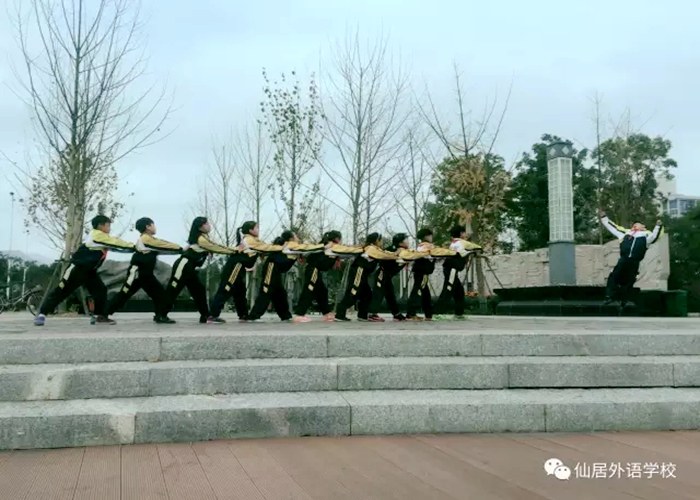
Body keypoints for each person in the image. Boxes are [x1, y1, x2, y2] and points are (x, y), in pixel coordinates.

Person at [34, 215, 135, 326]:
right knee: (62, 291)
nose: (109, 228)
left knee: (100, 291)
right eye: (108, 225)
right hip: (77, 269)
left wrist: (135, 249)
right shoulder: (97, 235)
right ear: (100, 226)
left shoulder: (103, 238)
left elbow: (117, 247)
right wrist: (135, 247)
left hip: (90, 271)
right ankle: (41, 314)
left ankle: (99, 316)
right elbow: (116, 243)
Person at [161, 216, 238, 324]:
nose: (209, 226)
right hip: (183, 266)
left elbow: (211, 247)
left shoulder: (202, 238)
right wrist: (235, 250)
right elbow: (216, 247)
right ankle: (161, 315)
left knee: (199, 291)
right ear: (200, 227)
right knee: (173, 289)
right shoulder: (200, 239)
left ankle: (205, 315)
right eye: (206, 224)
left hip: (190, 269)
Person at [107, 217, 183, 324]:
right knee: (124, 294)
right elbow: (163, 244)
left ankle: (160, 316)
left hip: (145, 274)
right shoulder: (146, 239)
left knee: (159, 294)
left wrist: (179, 251)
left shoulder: (149, 240)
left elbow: (163, 248)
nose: (155, 227)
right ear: (148, 227)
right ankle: (103, 314)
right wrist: (181, 249)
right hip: (137, 273)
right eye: (153, 225)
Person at [208, 221, 283, 322]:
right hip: (235, 267)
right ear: (251, 230)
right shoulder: (249, 240)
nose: (258, 229)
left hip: (239, 268)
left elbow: (264, 248)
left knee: (240, 292)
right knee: (226, 288)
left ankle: (243, 315)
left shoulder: (254, 240)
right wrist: (284, 248)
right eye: (256, 227)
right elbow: (266, 248)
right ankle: (213, 315)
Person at [247, 231, 324, 322]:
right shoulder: (291, 244)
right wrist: (324, 246)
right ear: (291, 238)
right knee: (266, 291)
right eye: (296, 236)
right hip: (271, 268)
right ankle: (253, 316)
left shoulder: (290, 246)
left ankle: (285, 316)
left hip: (276, 270)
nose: (298, 238)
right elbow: (306, 248)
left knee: (279, 293)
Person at [293, 230, 361, 323]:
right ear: (337, 239)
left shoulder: (328, 246)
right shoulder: (331, 246)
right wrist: (360, 249)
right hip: (313, 270)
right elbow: (346, 250)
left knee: (322, 291)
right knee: (309, 290)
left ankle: (327, 313)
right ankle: (299, 314)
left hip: (316, 270)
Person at [600, 210, 663, 307]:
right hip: (623, 259)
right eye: (634, 224)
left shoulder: (646, 236)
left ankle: (624, 300)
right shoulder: (625, 233)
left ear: (643, 227)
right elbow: (612, 227)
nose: (635, 225)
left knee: (628, 281)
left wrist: (658, 226)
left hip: (634, 261)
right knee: (613, 277)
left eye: (637, 224)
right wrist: (604, 217)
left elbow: (655, 236)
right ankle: (609, 296)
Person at [334, 233, 398, 322]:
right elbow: (383, 255)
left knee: (367, 295)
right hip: (358, 272)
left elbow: (384, 253)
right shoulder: (370, 248)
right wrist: (395, 256)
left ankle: (362, 315)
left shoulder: (376, 249)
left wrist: (397, 254)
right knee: (354, 292)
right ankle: (340, 314)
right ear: (376, 240)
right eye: (381, 240)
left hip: (363, 274)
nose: (382, 242)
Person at [368, 233, 429, 322]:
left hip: (387, 275)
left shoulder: (399, 249)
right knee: (378, 293)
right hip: (382, 273)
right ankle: (372, 314)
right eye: (406, 240)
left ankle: (396, 314)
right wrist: (426, 253)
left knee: (390, 295)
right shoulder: (399, 250)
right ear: (400, 243)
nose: (408, 242)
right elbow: (411, 255)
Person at [434, 224, 482, 320]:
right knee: (448, 290)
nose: (465, 234)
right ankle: (438, 312)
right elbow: (477, 247)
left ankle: (459, 314)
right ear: (461, 233)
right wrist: (477, 250)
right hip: (452, 269)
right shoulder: (463, 243)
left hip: (449, 268)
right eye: (464, 232)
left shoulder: (453, 244)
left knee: (459, 291)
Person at [406, 227, 455, 322]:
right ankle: (411, 314)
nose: (432, 237)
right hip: (422, 273)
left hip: (421, 273)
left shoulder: (422, 246)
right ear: (426, 236)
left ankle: (428, 314)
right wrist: (451, 252)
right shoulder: (427, 246)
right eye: (430, 235)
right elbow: (438, 252)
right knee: (417, 292)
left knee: (425, 294)